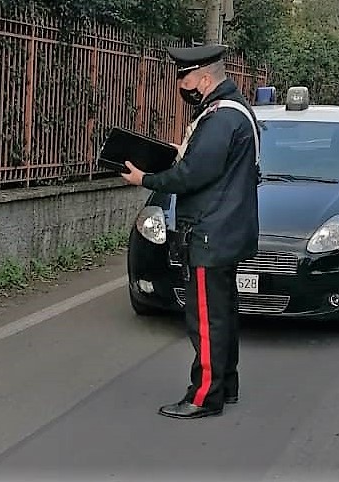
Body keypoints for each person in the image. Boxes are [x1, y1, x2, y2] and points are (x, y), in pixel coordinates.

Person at [121, 43, 260, 420]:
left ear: (203, 78)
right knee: (223, 314)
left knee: (206, 320)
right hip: (225, 231)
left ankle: (203, 396)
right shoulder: (232, 111)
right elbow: (206, 161)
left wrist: (145, 178)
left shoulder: (221, 117)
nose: (181, 85)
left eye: (184, 77)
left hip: (209, 233)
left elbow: (192, 174)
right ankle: (225, 385)